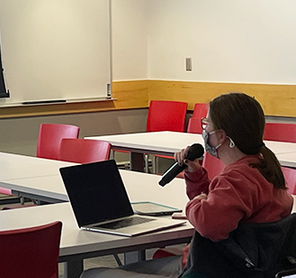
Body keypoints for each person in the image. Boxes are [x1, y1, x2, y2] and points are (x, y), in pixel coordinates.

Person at [81, 92, 293, 278]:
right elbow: (224, 206)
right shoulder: (264, 169)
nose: (204, 130)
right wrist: (197, 176)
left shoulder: (236, 178)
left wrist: (195, 206)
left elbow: (210, 224)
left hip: (214, 270)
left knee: (92, 274)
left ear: (221, 136)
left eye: (206, 124)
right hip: (234, 267)